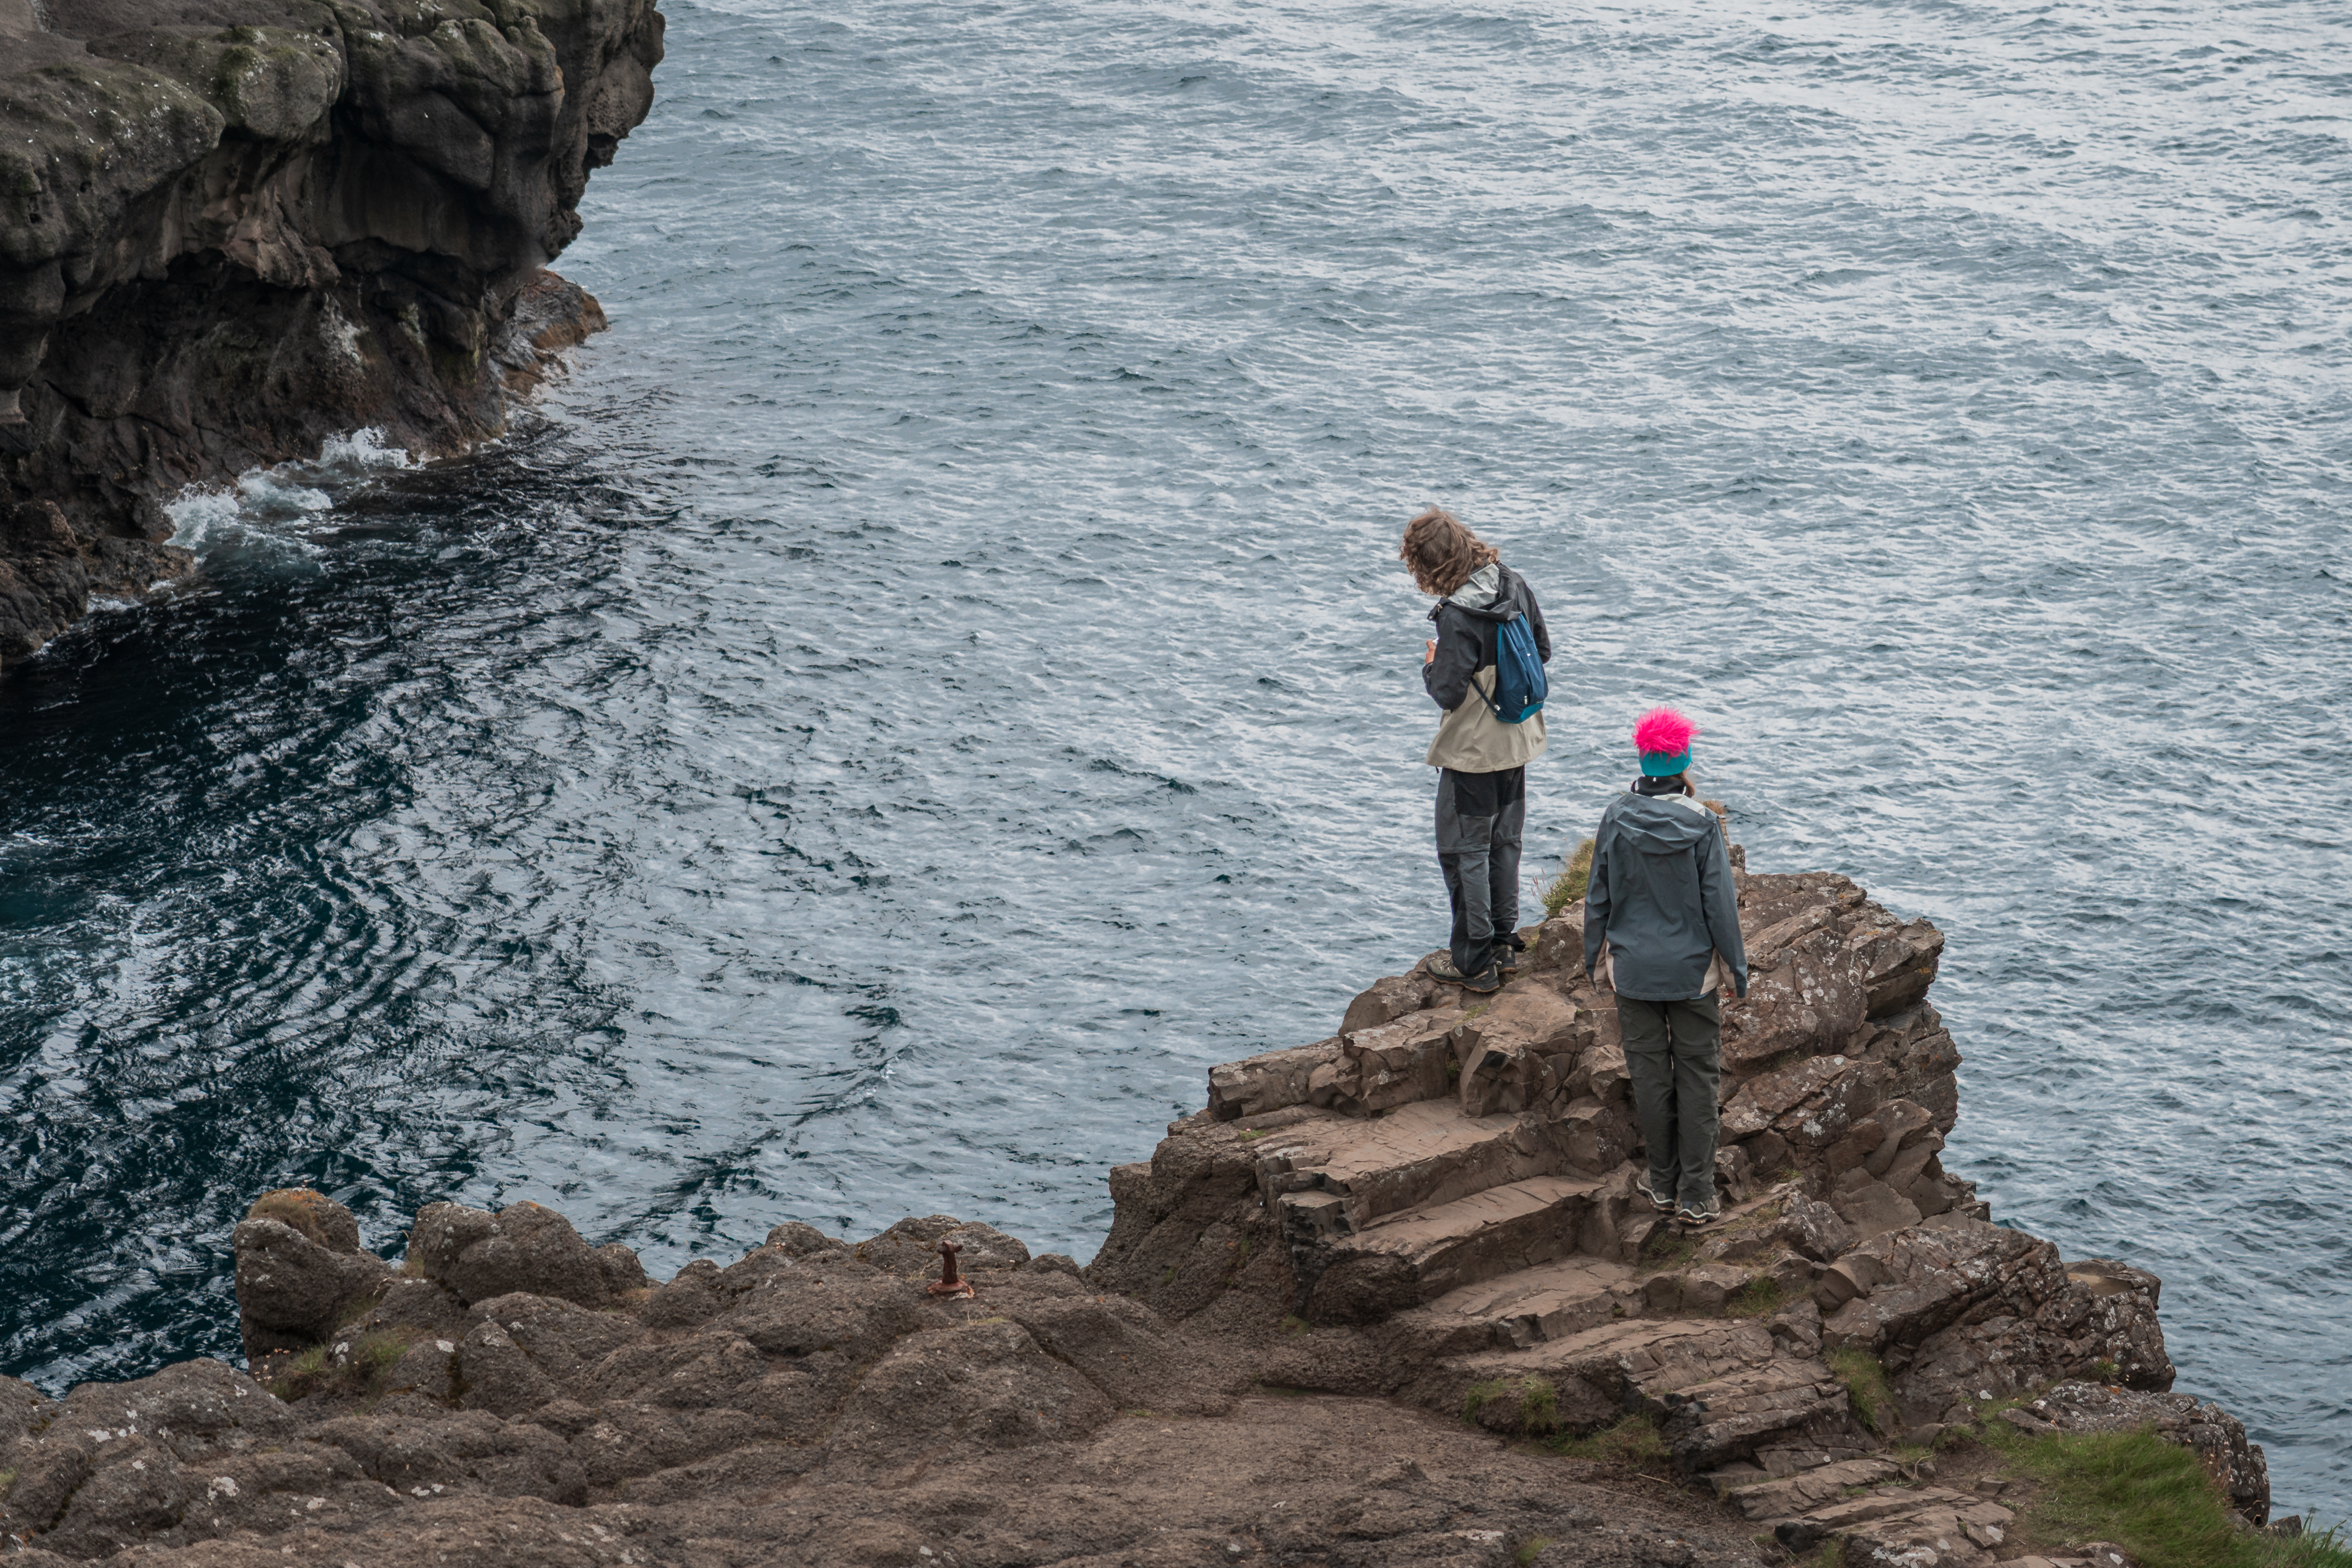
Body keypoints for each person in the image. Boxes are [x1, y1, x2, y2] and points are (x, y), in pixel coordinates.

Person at [1582, 707, 1748, 1225]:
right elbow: (1720, 905)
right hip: (1691, 973)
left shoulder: (1615, 816)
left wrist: (1593, 956)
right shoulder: (1702, 825)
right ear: (1684, 759)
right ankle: (1697, 1194)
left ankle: (1661, 1183)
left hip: (1632, 972)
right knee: (1697, 1076)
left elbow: (1598, 897)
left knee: (1650, 1077)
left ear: (1643, 757)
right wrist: (1737, 970)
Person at [1399, 506, 1550, 995]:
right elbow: (1542, 651)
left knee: (1465, 850)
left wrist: (1430, 663)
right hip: (1519, 740)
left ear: (1429, 564)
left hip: (1472, 754)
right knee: (1506, 843)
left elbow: (1447, 691)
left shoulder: (1457, 617)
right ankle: (1505, 945)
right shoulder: (1513, 583)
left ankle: (1475, 960)